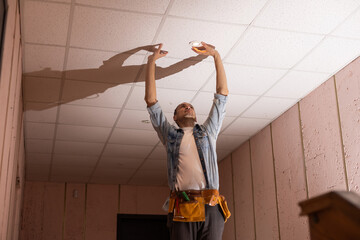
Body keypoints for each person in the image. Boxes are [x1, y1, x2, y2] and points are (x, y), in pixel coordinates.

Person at [145, 42, 230, 240]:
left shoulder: (208, 132)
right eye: (182, 106)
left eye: (190, 106)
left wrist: (215, 55)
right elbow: (151, 102)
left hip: (211, 206)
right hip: (183, 206)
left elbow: (222, 95)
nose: (187, 107)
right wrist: (151, 63)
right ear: (174, 117)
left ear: (196, 116)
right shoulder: (170, 136)